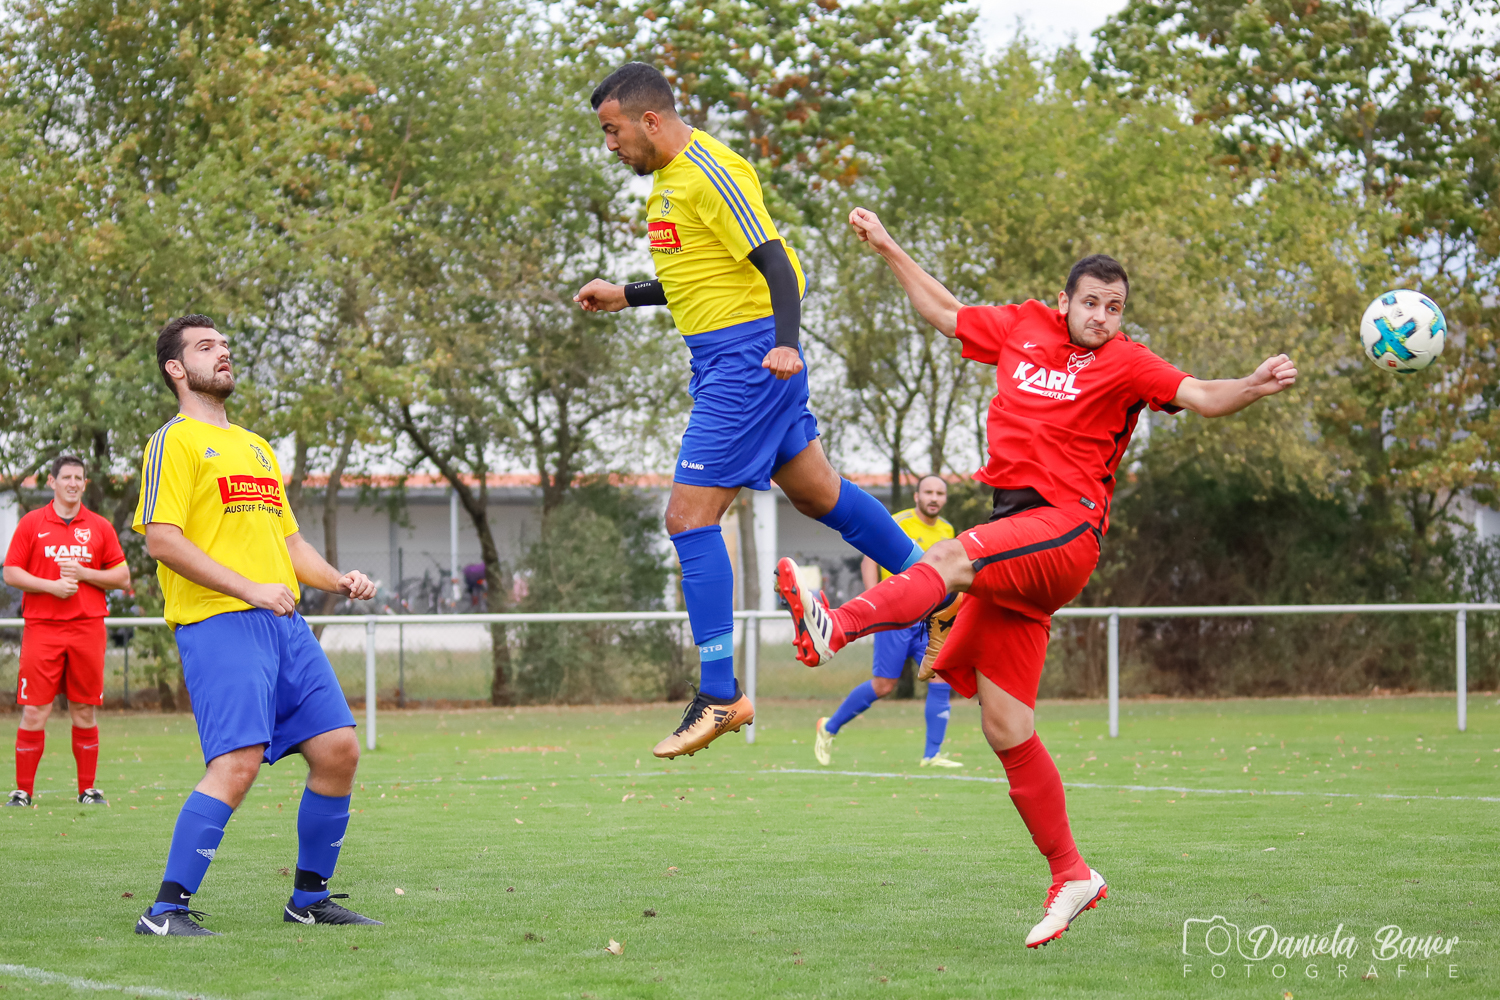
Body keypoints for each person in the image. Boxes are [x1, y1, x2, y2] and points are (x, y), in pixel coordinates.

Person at [777, 209, 1298, 949]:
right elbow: (947, 313)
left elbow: (1204, 396)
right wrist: (892, 247)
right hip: (1020, 540)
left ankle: (838, 626)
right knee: (1004, 725)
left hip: (1065, 527)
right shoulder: (1022, 328)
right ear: (1065, 302)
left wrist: (1253, 382)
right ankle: (1072, 873)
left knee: (951, 558)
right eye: (1092, 303)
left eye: (1115, 308)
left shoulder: (1129, 362)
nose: (1103, 317)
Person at [573, 63, 926, 759]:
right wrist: (628, 293)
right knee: (822, 494)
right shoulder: (671, 185)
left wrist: (787, 347)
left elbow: (776, 264)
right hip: (726, 358)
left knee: (687, 518)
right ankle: (936, 584)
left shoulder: (708, 170)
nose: (609, 145)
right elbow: (703, 274)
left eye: (613, 131)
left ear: (649, 121)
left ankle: (719, 695)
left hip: (749, 361)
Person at [131, 314, 381, 937]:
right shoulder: (174, 441)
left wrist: (338, 579)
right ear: (175, 368)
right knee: (237, 764)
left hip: (284, 624)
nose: (223, 353)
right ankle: (165, 911)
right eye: (205, 347)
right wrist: (249, 588)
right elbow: (161, 540)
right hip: (221, 621)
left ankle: (308, 900)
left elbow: (288, 543)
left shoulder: (257, 447)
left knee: (338, 750)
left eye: (225, 345)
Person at [3, 456, 130, 807]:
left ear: (85, 484)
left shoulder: (100, 527)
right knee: (34, 711)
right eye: (66, 477)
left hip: (87, 627)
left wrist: (85, 573)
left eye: (79, 478)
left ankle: (87, 790)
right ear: (53, 481)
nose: (73, 483)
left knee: (84, 710)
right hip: (42, 628)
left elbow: (122, 577)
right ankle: (23, 792)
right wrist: (51, 586)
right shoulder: (32, 523)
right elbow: (11, 572)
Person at [813, 475, 963, 769]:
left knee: (941, 677)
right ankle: (828, 727)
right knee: (883, 686)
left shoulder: (947, 530)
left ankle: (932, 755)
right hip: (896, 615)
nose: (934, 497)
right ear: (917, 496)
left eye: (940, 493)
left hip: (931, 618)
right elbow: (870, 559)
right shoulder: (900, 521)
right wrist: (875, 602)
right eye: (928, 492)